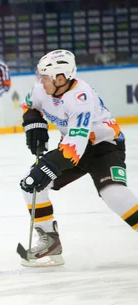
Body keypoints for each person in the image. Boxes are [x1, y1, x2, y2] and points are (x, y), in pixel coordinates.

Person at [19, 49, 138, 266]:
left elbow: (75, 147)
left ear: (61, 78)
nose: (40, 81)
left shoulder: (81, 98)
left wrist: (46, 166)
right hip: (73, 145)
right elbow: (29, 105)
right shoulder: (41, 89)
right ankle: (50, 241)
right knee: (31, 185)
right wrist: (34, 122)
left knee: (113, 193)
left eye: (45, 77)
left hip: (104, 147)